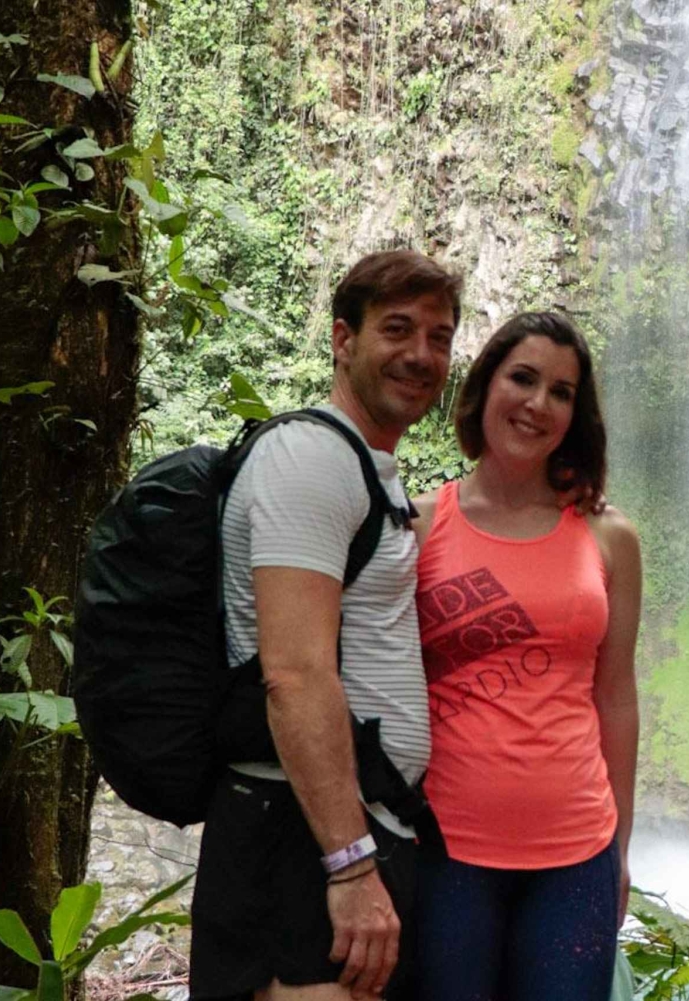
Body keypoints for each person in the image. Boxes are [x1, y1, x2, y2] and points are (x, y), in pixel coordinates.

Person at [189, 249, 463, 1001]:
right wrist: (350, 865)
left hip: (336, 827)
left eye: (439, 337)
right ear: (343, 339)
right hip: (300, 838)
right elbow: (294, 672)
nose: (421, 354)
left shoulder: (363, 467)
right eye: (397, 329)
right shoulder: (311, 459)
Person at [410, 311, 642, 1000]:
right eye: (523, 378)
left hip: (577, 855)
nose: (539, 403)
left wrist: (621, 849)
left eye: (561, 392)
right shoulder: (420, 525)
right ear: (486, 386)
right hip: (446, 849)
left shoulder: (609, 536)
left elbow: (616, 697)